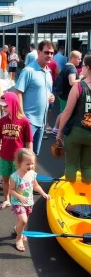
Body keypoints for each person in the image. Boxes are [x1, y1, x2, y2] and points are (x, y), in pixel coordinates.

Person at [0, 92, 33, 210]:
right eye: (2, 106)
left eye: (6, 106)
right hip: (5, 156)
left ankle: (19, 200)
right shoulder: (2, 121)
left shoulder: (24, 121)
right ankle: (7, 200)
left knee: (18, 180)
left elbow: (29, 141)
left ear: (13, 104)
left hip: (19, 159)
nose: (3, 108)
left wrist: (29, 159)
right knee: (6, 179)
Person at [15, 40, 55, 155]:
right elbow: (18, 92)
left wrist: (51, 96)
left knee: (33, 156)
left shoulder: (48, 72)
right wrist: (22, 116)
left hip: (41, 122)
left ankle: (30, 174)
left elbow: (46, 91)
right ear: (39, 52)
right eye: (46, 52)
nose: (49, 55)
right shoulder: (29, 71)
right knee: (23, 156)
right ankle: (18, 174)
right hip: (29, 121)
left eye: (52, 53)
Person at [56, 53, 91, 184]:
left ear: (87, 68)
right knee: (88, 167)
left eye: (83, 66)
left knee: (71, 165)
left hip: (75, 131)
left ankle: (69, 194)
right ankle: (87, 195)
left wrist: (59, 133)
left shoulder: (79, 86)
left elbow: (67, 112)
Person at [9, 148, 50, 252]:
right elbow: (11, 191)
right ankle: (18, 239)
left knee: (22, 221)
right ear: (19, 163)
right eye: (27, 164)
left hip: (29, 202)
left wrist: (43, 193)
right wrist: (20, 197)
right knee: (23, 220)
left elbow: (36, 186)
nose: (31, 166)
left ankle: (18, 229)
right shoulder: (15, 177)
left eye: (32, 163)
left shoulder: (32, 174)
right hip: (18, 201)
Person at [51, 51, 82, 135]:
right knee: (66, 113)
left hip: (62, 93)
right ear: (73, 58)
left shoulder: (66, 66)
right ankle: (59, 130)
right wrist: (82, 79)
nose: (80, 61)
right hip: (67, 95)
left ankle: (56, 128)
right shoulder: (72, 68)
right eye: (79, 59)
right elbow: (72, 82)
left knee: (63, 112)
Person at [45, 58, 59, 133]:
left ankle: (45, 125)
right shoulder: (53, 63)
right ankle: (46, 124)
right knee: (49, 106)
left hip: (46, 85)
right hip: (50, 86)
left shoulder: (38, 62)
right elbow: (58, 72)